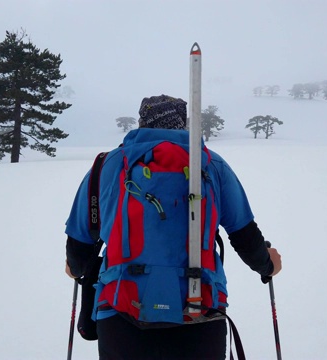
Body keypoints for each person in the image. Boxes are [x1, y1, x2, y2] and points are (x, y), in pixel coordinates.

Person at [65, 94, 282, 359]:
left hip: (121, 313)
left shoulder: (106, 167)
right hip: (200, 312)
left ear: (142, 123)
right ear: (182, 123)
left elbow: (80, 244)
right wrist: (267, 265)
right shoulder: (213, 165)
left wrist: (75, 268)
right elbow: (244, 234)